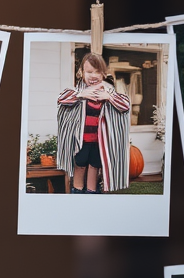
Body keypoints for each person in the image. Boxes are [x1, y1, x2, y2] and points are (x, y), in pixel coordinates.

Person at [56, 52, 131, 193]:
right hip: (81, 140)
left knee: (94, 166)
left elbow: (125, 105)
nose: (93, 75)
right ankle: (77, 191)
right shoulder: (76, 91)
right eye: (89, 71)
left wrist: (109, 97)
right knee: (80, 165)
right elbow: (61, 99)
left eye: (98, 72)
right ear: (81, 72)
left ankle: (92, 191)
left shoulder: (109, 92)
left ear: (103, 74)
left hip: (99, 141)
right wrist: (80, 95)